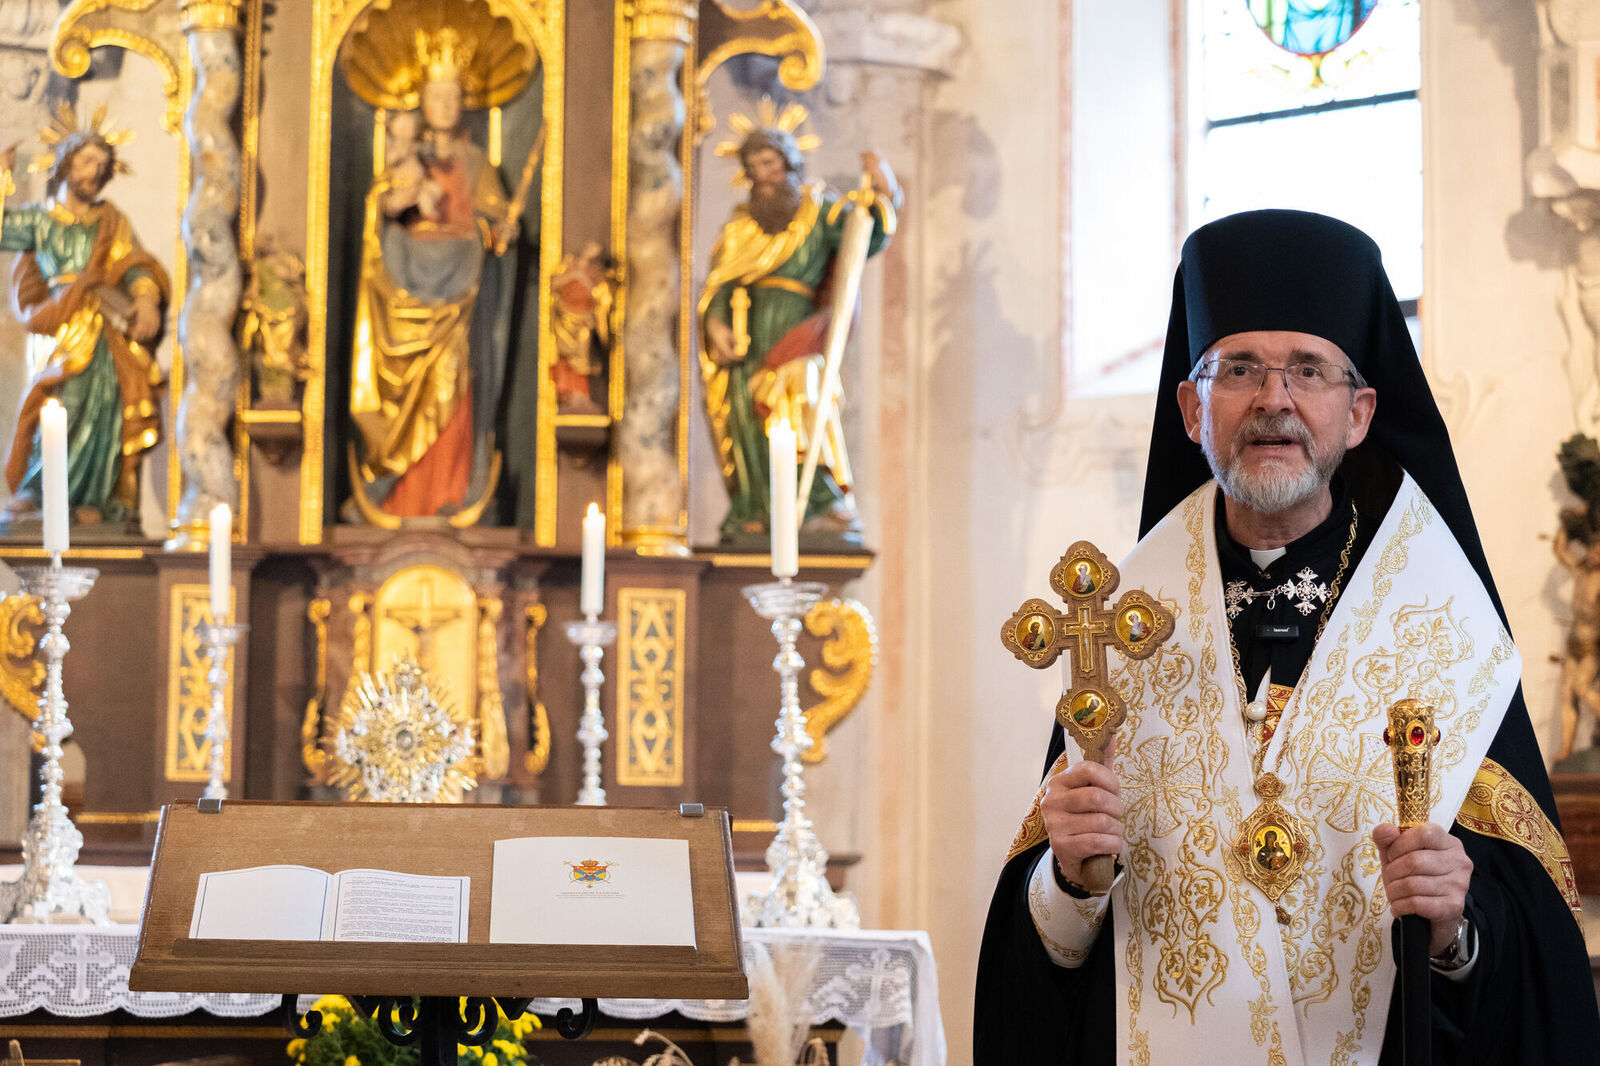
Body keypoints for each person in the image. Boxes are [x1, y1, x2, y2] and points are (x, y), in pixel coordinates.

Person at [974, 210, 1598, 1065]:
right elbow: (1040, 980)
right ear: (1192, 408)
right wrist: (1067, 884)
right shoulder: (1121, 629)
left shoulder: (1442, 628)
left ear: (1360, 411)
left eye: (1308, 369)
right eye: (1239, 369)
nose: (1274, 399)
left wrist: (1456, 930)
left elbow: (1538, 967)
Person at [698, 117, 900, 540]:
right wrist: (716, 326)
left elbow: (862, 237)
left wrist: (883, 193)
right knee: (746, 420)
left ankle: (818, 503)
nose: (764, 176)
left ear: (791, 164)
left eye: (771, 164)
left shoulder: (818, 212)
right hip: (748, 338)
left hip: (800, 331)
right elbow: (720, 287)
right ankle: (756, 507)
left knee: (801, 403)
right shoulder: (739, 229)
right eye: (755, 168)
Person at [348, 27, 517, 519]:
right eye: (436, 96)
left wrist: (499, 230)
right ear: (423, 102)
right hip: (405, 291)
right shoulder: (406, 159)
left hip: (458, 296)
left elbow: (493, 219)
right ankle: (397, 494)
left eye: (453, 96)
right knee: (402, 392)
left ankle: (449, 492)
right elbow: (380, 213)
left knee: (453, 388)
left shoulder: (476, 162)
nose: (445, 105)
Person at [0, 116, 167, 528]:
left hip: (102, 327)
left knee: (104, 410)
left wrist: (146, 299)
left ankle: (94, 496)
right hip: (57, 327)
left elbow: (135, 265)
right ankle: (38, 489)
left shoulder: (111, 220)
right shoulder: (39, 219)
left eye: (102, 165)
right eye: (88, 161)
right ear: (65, 162)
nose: (95, 171)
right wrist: (3, 176)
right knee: (56, 404)